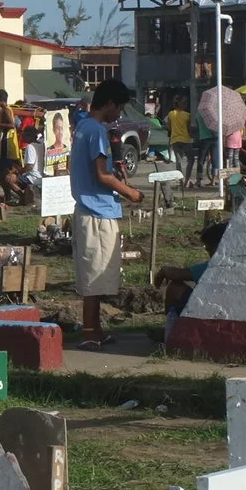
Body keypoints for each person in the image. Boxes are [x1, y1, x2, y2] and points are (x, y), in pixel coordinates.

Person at [72, 80, 143, 347]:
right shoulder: (97, 131)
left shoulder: (83, 126)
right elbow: (102, 175)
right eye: (120, 107)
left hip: (89, 208)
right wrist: (130, 192)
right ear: (110, 103)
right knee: (96, 275)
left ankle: (96, 330)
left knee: (96, 273)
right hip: (97, 211)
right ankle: (90, 332)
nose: (120, 114)